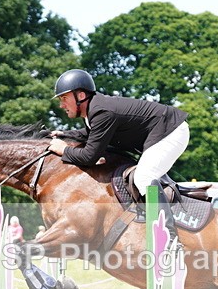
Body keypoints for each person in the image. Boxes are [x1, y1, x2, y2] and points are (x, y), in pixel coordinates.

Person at [47, 69, 189, 243]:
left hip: (171, 131)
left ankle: (169, 239)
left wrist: (63, 149)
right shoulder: (95, 110)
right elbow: (90, 133)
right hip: (162, 131)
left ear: (81, 95)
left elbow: (89, 156)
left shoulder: (101, 112)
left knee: (144, 177)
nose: (62, 105)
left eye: (64, 98)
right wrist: (64, 135)